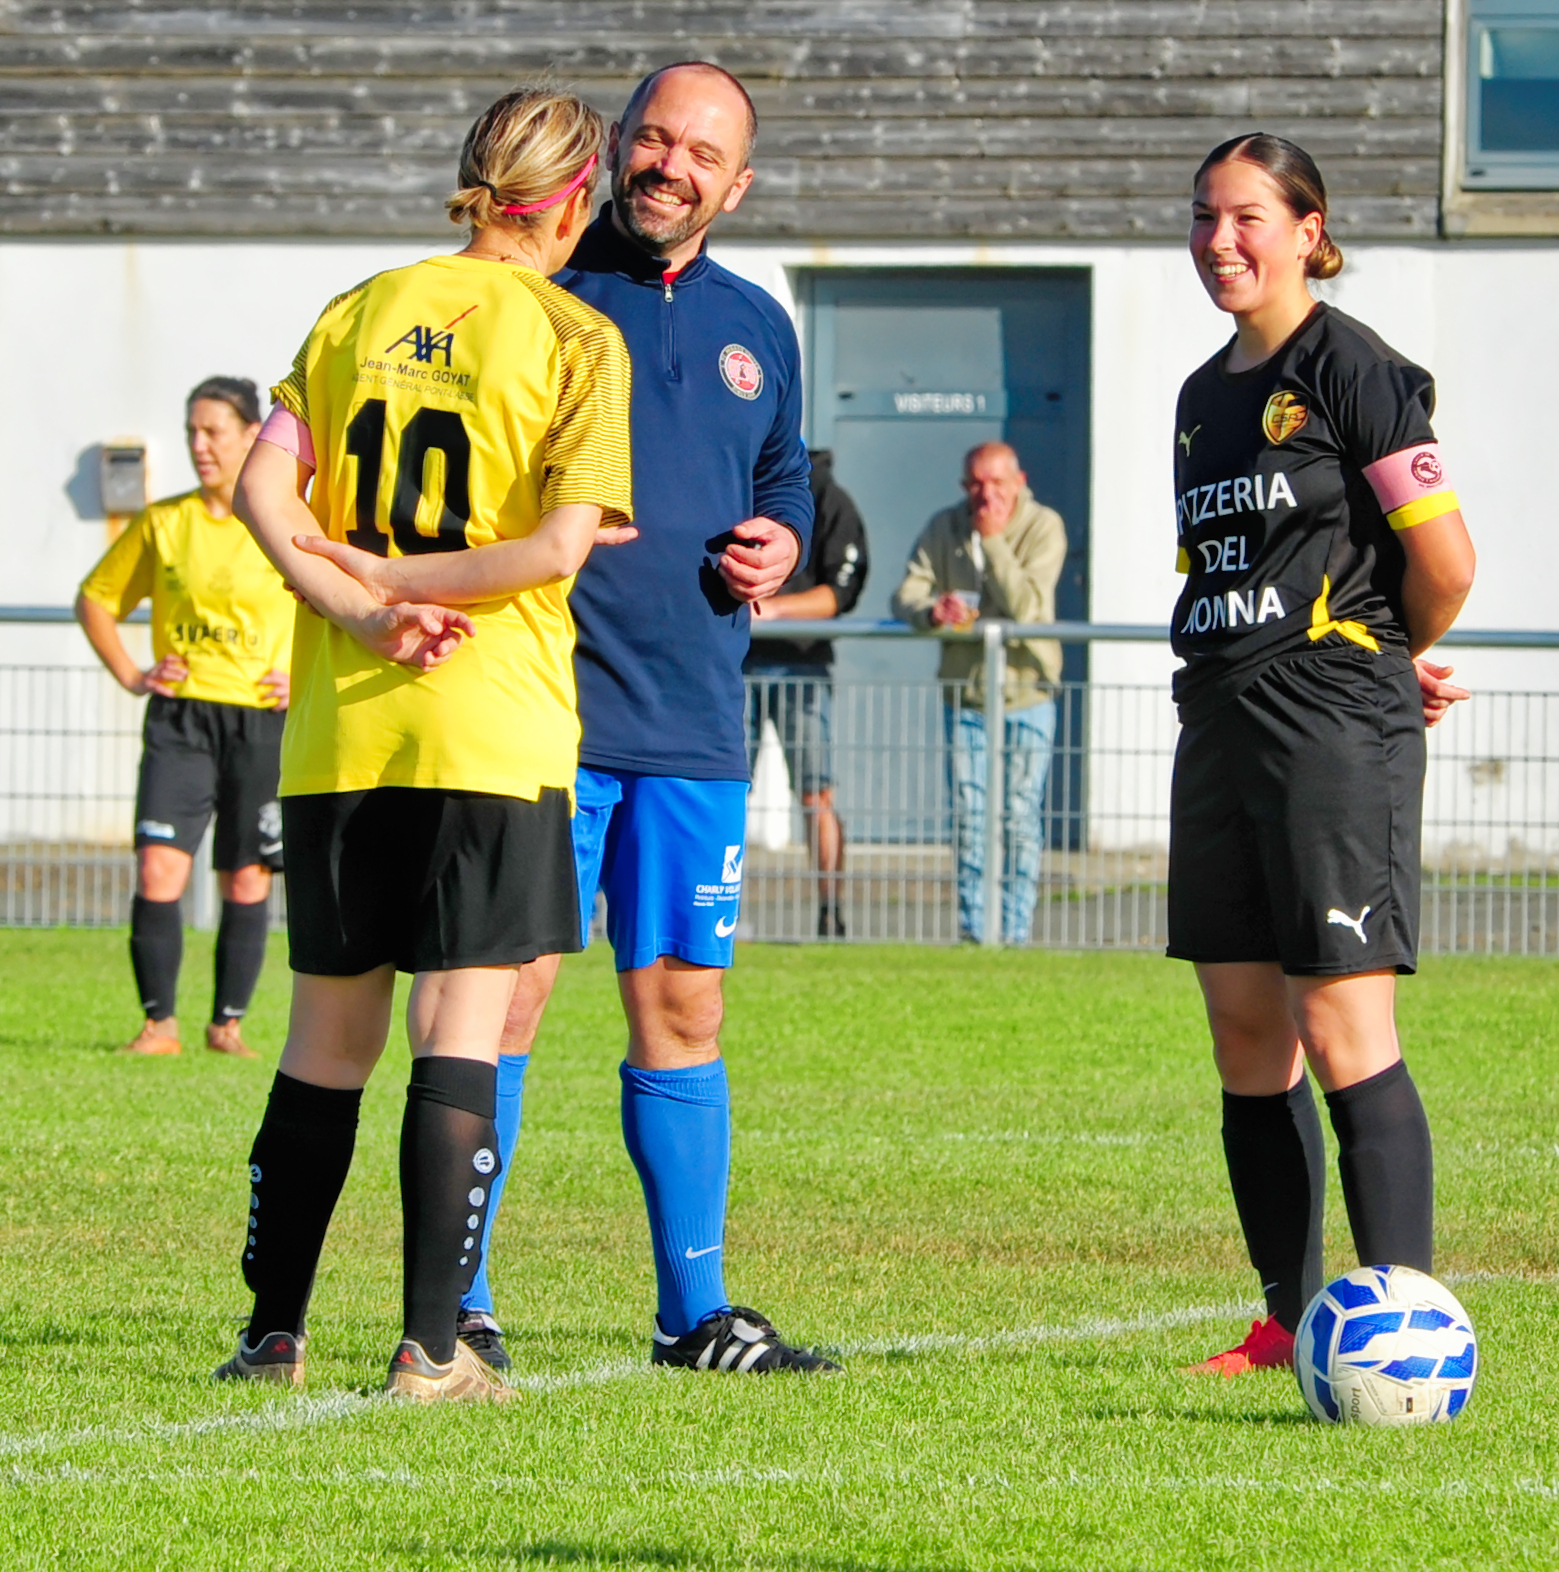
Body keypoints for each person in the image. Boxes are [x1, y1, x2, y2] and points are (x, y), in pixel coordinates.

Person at [392, 61, 834, 1376]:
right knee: (503, 1000)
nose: (669, 165)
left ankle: (690, 1317)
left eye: (701, 153)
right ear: (614, 147)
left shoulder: (761, 324)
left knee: (683, 1009)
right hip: (538, 714)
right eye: (652, 137)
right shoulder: (536, 287)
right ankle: (455, 1302)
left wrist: (780, 539)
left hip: (693, 722)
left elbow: (784, 482)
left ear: (735, 184)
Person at [210, 86, 634, 1402]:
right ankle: (430, 1350)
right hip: (489, 722)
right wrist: (422, 588)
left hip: (342, 728)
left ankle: (272, 1336)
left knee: (324, 1037)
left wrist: (355, 597)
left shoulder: (356, 311)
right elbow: (561, 547)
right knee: (460, 1027)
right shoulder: (573, 336)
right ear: (570, 203)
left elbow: (257, 485)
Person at [1167, 135, 1475, 1376]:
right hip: (1218, 721)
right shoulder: (1198, 397)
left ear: (1307, 228)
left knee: (1341, 1020)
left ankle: (1404, 1334)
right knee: (1245, 1030)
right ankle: (1283, 1322)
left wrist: (1379, 655)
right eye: (1201, 218)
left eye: (1245, 217)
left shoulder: (1354, 370)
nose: (1217, 242)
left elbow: (1443, 561)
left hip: (1329, 728)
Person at [76, 377, 294, 1060]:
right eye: (191, 433)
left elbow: (334, 598)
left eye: (213, 432)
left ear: (252, 435)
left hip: (260, 720)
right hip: (181, 719)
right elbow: (96, 599)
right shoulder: (164, 522)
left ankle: (227, 1025)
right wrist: (132, 674)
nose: (200, 446)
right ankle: (158, 1026)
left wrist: (307, 675)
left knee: (246, 877)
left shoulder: (285, 519)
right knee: (158, 871)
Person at [892, 441, 1067, 944]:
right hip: (966, 696)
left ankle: (1013, 934)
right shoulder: (943, 526)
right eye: (974, 483)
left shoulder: (1044, 526)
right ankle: (974, 932)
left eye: (995, 483)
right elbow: (906, 592)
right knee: (971, 816)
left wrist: (992, 541)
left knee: (1018, 816)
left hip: (1028, 693)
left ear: (1018, 481)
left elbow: (1030, 608)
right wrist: (931, 612)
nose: (984, 494)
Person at [745, 447, 869, 938]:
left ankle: (831, 912)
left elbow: (840, 593)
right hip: (736, 664)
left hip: (802, 664)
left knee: (817, 792)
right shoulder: (739, 484)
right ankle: (714, 907)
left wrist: (774, 610)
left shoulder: (829, 498)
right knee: (726, 791)